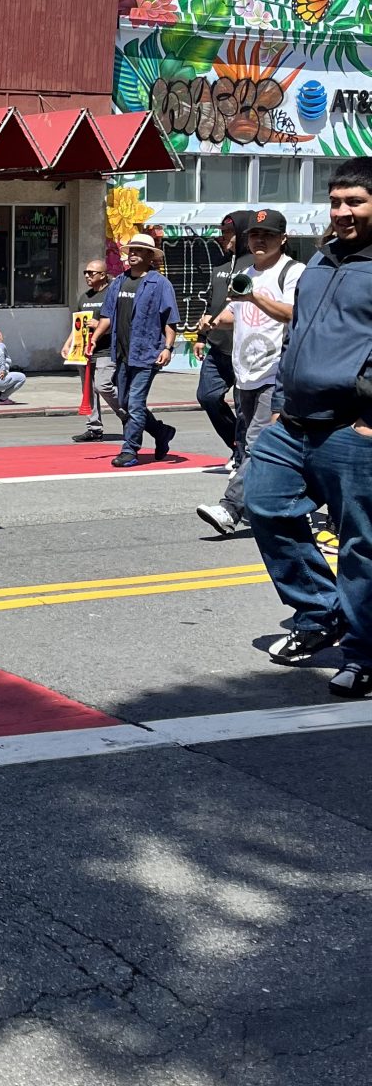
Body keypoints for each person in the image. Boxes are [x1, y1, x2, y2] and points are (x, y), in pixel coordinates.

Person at [243, 160, 372, 697]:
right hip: (292, 419)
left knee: (360, 544)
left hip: (352, 427)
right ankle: (322, 610)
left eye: (355, 203)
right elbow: (302, 328)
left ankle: (364, 652)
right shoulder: (322, 258)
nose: (342, 212)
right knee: (263, 502)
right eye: (336, 201)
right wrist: (281, 395)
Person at [197, 209, 301, 539]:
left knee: (258, 443)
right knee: (253, 445)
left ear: (282, 239)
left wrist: (253, 296)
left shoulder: (293, 272)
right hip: (245, 372)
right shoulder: (245, 271)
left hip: (275, 371)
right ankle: (284, 503)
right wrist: (213, 321)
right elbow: (235, 310)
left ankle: (230, 508)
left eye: (268, 235)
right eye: (255, 235)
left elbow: (296, 313)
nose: (259, 240)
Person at [87, 234, 179, 467]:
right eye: (131, 250)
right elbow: (107, 316)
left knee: (135, 403)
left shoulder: (160, 284)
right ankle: (161, 431)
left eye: (140, 250)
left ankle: (130, 450)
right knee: (126, 404)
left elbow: (170, 319)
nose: (134, 254)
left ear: (150, 255)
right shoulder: (118, 282)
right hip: (121, 354)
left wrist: (168, 347)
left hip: (147, 354)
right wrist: (94, 339)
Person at [192, 211, 252, 457]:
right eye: (221, 233)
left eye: (227, 232)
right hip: (217, 347)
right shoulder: (220, 266)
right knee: (207, 396)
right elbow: (210, 303)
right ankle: (234, 444)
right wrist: (201, 338)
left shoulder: (255, 266)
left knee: (243, 408)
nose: (222, 238)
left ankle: (243, 457)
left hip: (245, 349)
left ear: (242, 234)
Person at [65, 257, 120, 442]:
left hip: (106, 350)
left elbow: (119, 322)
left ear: (103, 275)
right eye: (85, 273)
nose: (87, 276)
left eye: (91, 273)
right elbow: (78, 324)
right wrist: (68, 344)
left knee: (103, 385)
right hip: (85, 351)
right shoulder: (85, 297)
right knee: (88, 390)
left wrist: (99, 325)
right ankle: (94, 428)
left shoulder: (112, 295)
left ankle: (129, 416)